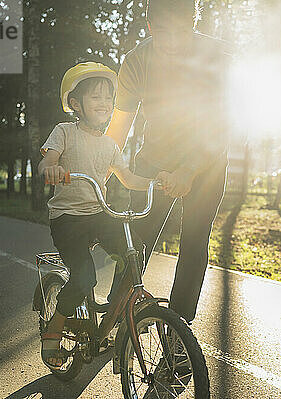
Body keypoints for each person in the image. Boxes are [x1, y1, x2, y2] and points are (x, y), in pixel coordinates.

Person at [106, 0, 231, 324]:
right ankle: (117, 315)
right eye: (164, 34)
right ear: (150, 28)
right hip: (154, 160)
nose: (173, 42)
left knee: (194, 241)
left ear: (193, 24)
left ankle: (178, 333)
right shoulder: (136, 61)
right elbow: (120, 126)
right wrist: (98, 169)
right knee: (137, 240)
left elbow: (224, 124)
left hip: (207, 162)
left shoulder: (217, 57)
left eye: (181, 32)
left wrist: (189, 170)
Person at [38, 62, 166, 369]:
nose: (104, 103)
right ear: (75, 103)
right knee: (84, 277)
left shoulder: (110, 144)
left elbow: (127, 177)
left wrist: (157, 181)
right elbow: (47, 163)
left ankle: (114, 311)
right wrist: (52, 170)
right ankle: (55, 325)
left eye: (108, 98)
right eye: (95, 97)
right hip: (68, 219)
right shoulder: (64, 132)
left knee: (133, 252)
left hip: (98, 213)